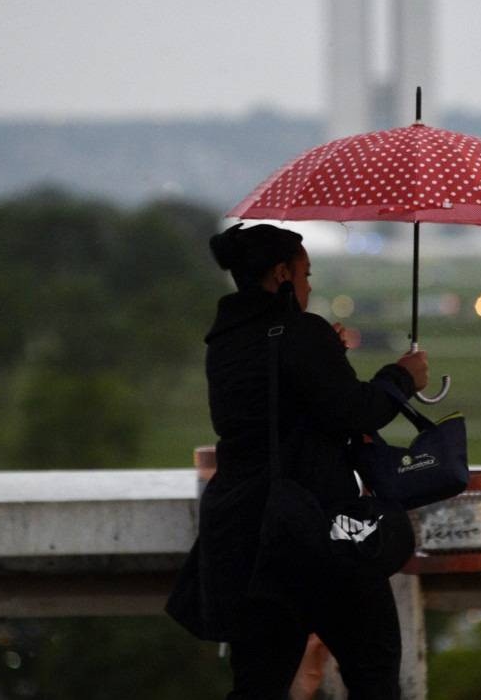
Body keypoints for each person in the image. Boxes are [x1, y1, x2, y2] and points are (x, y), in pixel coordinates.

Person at [168, 222, 428, 700]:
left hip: (249, 536)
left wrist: (322, 349)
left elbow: (286, 402)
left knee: (258, 683)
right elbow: (354, 411)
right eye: (306, 274)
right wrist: (401, 377)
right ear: (283, 273)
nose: (309, 285)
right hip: (318, 529)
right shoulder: (299, 333)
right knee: (374, 668)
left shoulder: (226, 342)